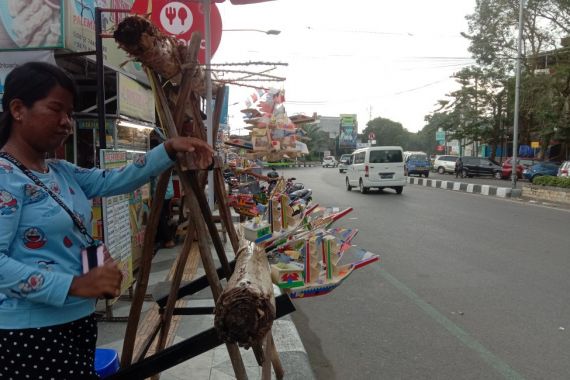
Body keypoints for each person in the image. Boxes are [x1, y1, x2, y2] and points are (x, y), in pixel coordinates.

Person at [0, 62, 214, 378]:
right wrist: (74, 284)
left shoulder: (60, 171)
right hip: (31, 334)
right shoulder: (6, 178)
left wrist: (167, 149)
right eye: (56, 110)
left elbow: (114, 181)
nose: (66, 122)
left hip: (77, 321)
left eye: (70, 113)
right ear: (18, 109)